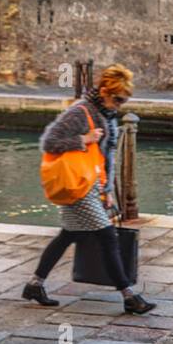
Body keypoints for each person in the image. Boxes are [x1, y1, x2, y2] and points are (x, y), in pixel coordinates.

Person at [23, 63, 155, 314]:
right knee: (107, 236)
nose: (119, 104)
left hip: (92, 185)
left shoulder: (107, 115)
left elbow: (107, 157)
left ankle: (34, 285)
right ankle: (129, 296)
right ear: (104, 90)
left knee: (70, 235)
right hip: (77, 185)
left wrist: (106, 191)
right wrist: (83, 140)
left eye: (124, 100)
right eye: (117, 98)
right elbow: (50, 142)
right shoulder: (80, 112)